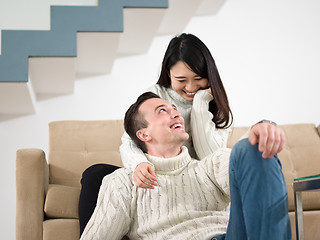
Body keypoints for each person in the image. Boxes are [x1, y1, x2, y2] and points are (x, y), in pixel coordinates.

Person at [78, 33, 286, 234]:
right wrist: (140, 164)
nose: (191, 87)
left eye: (198, 79)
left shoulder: (214, 104)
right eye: (182, 80)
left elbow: (213, 157)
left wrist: (200, 105)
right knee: (97, 174)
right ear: (168, 73)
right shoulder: (156, 95)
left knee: (244, 157)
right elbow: (132, 138)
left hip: (198, 177)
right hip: (157, 171)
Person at [80, 92, 291, 240]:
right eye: (162, 111)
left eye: (174, 109)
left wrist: (262, 129)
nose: (176, 113)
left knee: (249, 149)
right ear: (144, 134)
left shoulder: (208, 167)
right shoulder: (122, 182)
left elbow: (246, 166)